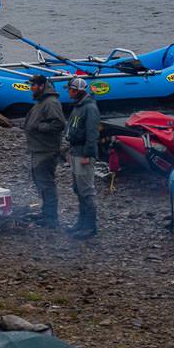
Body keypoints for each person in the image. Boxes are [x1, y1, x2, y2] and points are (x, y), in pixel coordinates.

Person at [23, 75, 67, 228]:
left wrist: (39, 127)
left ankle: (51, 218)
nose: (31, 88)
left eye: (33, 85)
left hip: (46, 150)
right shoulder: (42, 102)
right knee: (40, 182)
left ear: (41, 86)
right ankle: (46, 212)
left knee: (47, 184)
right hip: (38, 149)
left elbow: (59, 124)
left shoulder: (51, 103)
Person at [65, 77, 100, 239]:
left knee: (86, 190)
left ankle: (90, 227)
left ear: (77, 90)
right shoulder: (78, 107)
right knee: (78, 189)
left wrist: (88, 154)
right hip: (75, 152)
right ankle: (81, 222)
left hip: (83, 155)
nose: (68, 92)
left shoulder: (89, 108)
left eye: (70, 89)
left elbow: (92, 134)